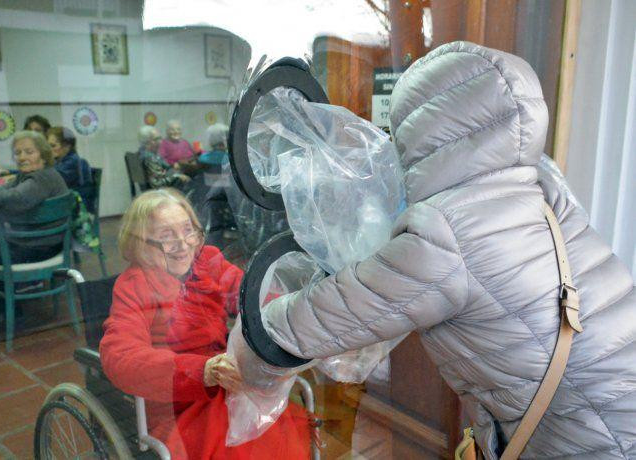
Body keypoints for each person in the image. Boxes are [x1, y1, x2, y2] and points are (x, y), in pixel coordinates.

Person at [250, 42, 636, 459]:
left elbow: (318, 320)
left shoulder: (446, 231)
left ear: (424, 129)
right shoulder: (541, 188)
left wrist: (254, 325)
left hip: (591, 437)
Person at [99, 189, 311, 459]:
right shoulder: (134, 286)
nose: (183, 244)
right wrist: (202, 371)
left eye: (188, 230)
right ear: (140, 243)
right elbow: (120, 356)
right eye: (166, 236)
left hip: (228, 382)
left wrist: (297, 314)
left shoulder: (207, 262)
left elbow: (253, 299)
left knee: (270, 429)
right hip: (179, 401)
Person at [0, 130, 67, 336]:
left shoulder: (40, 180)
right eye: (18, 152)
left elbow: (13, 199)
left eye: (29, 151)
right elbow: (4, 192)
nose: (22, 157)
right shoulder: (31, 176)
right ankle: (4, 308)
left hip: (36, 247)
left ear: (43, 154)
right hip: (38, 242)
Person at [46, 126, 94, 211]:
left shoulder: (72, 161)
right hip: (68, 203)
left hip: (77, 207)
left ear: (67, 146)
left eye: (53, 146)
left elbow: (53, 179)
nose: (49, 150)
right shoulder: (60, 160)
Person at [138, 125, 190, 189]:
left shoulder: (144, 152)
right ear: (147, 142)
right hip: (158, 193)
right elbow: (157, 184)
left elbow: (166, 166)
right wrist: (176, 176)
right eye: (156, 139)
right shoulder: (149, 157)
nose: (160, 142)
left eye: (160, 138)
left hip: (159, 184)